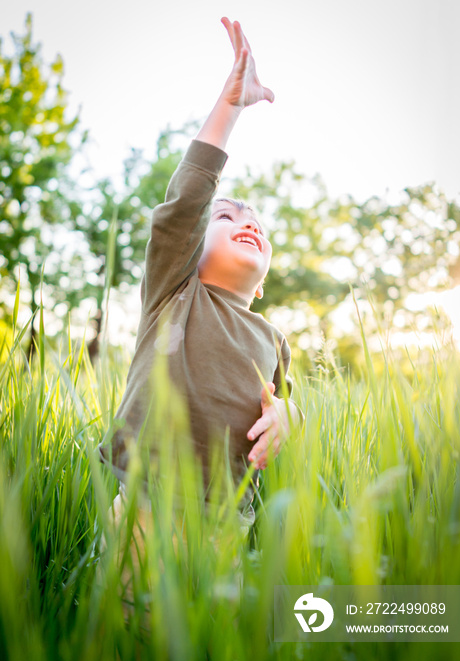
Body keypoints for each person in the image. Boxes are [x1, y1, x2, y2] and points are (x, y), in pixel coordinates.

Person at [99, 18, 302, 544]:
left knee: (215, 625)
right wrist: (230, 106)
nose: (247, 222)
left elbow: (284, 406)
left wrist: (289, 417)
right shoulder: (175, 292)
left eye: (256, 223)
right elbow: (185, 201)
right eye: (226, 217)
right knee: (132, 624)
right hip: (146, 500)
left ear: (261, 286)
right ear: (190, 251)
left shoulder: (272, 339)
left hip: (227, 519)